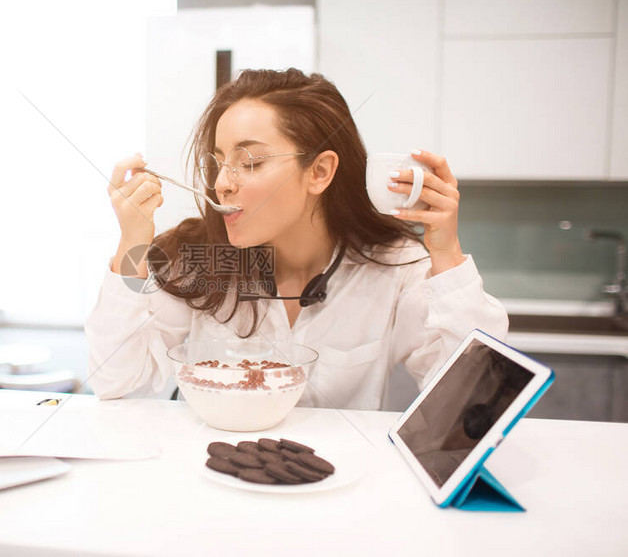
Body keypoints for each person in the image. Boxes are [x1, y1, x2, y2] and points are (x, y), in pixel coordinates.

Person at [85, 68, 507, 409]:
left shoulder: (394, 266)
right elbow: (116, 383)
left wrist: (446, 252)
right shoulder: (197, 258)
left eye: (249, 162)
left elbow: (476, 400)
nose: (221, 185)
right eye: (217, 163)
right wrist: (131, 244)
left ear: (319, 172)